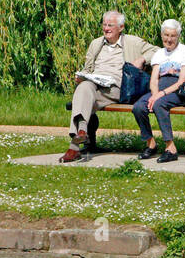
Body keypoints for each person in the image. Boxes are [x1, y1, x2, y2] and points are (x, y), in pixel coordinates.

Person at [62, 10, 157, 163]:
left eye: (110, 25)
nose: (106, 28)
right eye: (104, 25)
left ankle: (74, 146)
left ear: (121, 27)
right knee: (84, 87)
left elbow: (157, 51)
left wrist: (142, 59)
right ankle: (81, 132)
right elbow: (88, 68)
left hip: (115, 87)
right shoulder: (96, 44)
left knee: (84, 96)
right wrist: (81, 76)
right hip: (94, 84)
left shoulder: (132, 42)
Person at [132, 19, 185, 162]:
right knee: (138, 107)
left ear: (178, 36)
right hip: (159, 89)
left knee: (159, 104)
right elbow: (154, 79)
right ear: (162, 35)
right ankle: (150, 144)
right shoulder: (159, 54)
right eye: (166, 35)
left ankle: (170, 148)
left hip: (180, 91)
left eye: (173, 36)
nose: (169, 39)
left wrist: (160, 96)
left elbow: (182, 81)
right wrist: (155, 94)